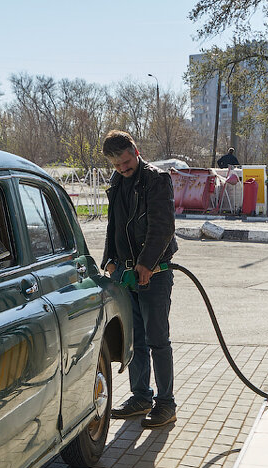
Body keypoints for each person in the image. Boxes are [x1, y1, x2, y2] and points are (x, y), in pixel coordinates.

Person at [101, 130, 178, 428]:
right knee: (135, 339)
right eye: (116, 165)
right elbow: (114, 225)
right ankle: (140, 396)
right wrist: (109, 259)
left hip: (154, 274)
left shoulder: (156, 180)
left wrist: (147, 263)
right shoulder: (117, 183)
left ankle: (166, 403)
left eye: (125, 161)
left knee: (158, 339)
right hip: (123, 273)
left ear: (135, 149)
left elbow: (162, 226)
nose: (122, 168)